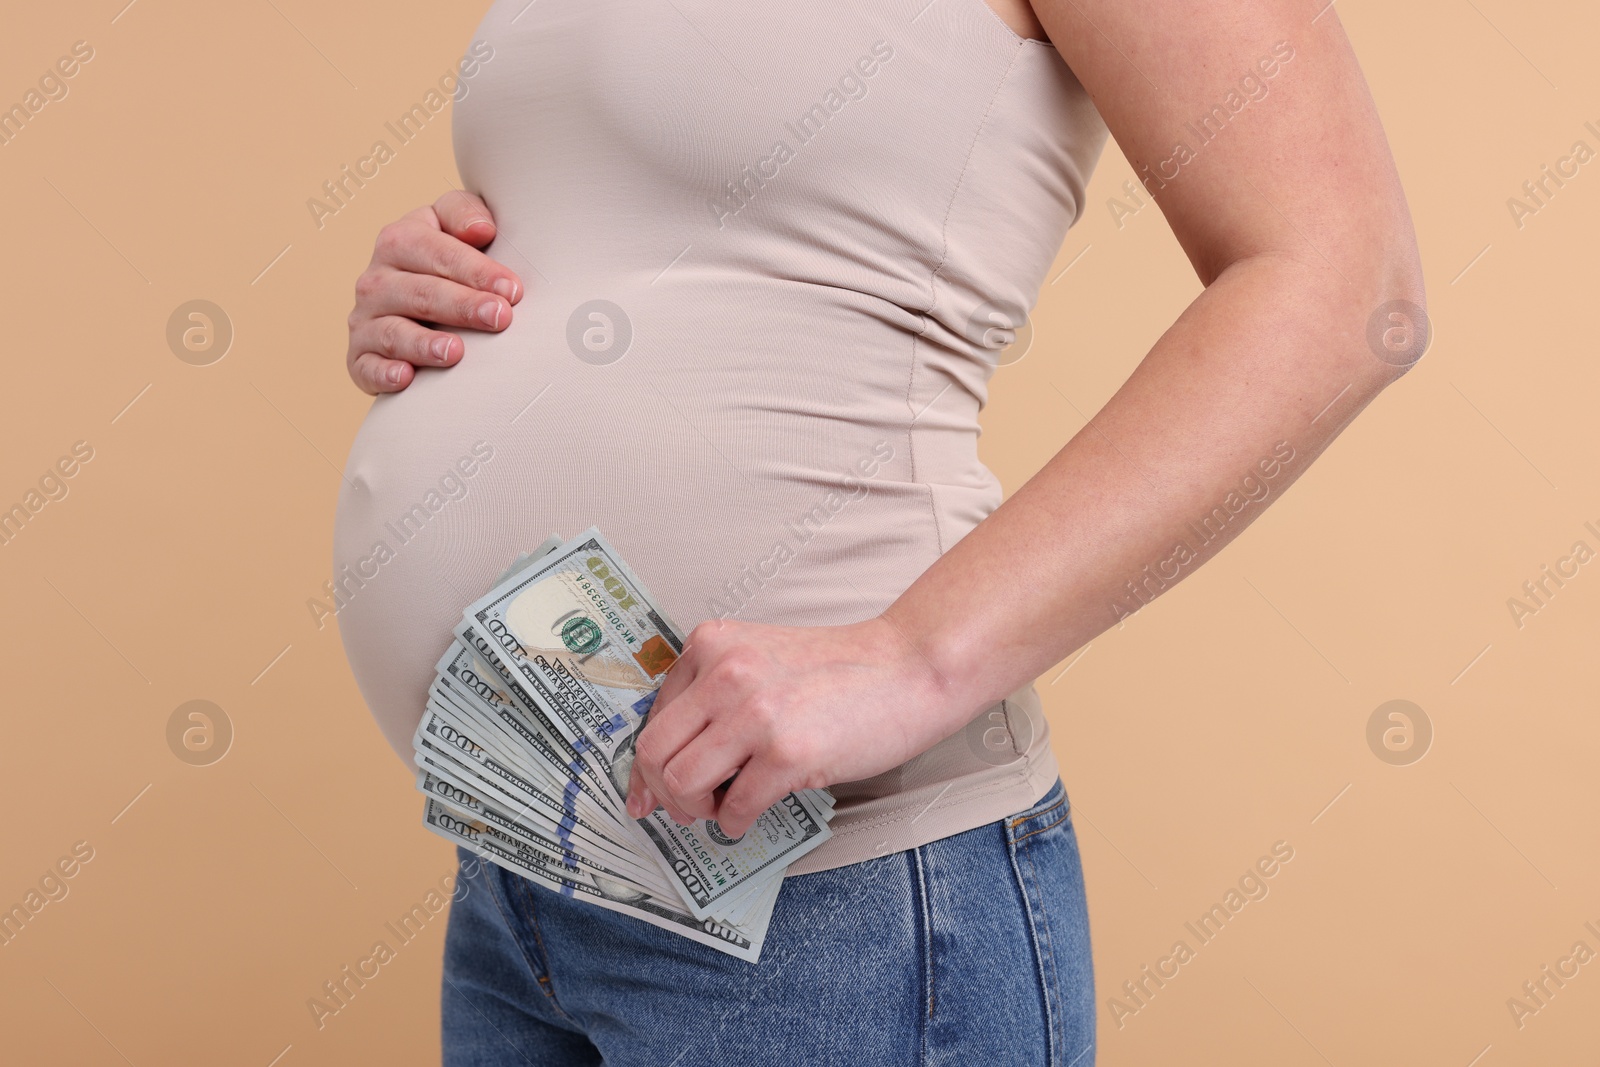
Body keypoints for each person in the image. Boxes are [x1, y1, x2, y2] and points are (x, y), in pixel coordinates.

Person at [334, 0, 1424, 1063]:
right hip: (529, 861)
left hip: (833, 904)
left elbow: (1345, 281)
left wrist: (912, 654)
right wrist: (445, 280)